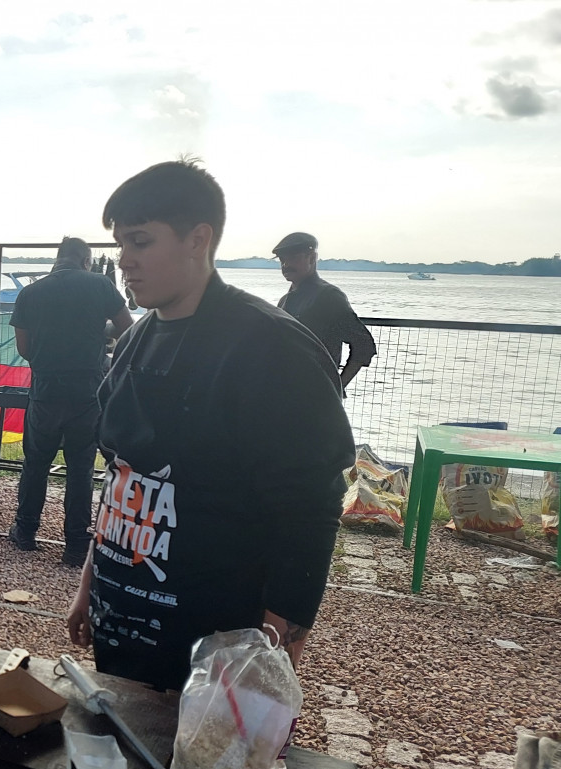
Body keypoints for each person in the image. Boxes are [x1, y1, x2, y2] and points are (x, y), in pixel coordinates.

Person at [65, 160, 355, 691]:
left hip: (215, 638)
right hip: (121, 618)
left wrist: (280, 639)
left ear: (198, 239)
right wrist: (89, 582)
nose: (124, 260)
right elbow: (120, 478)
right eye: (120, 244)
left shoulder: (271, 346)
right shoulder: (132, 343)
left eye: (140, 242)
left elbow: (311, 506)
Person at [7, 236, 133, 566]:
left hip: (46, 391)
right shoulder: (100, 285)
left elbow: (24, 348)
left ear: (58, 259)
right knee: (80, 468)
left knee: (36, 463)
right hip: (87, 392)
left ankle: (25, 532)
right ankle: (76, 545)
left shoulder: (30, 293)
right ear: (86, 261)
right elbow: (128, 330)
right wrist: (101, 339)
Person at [273, 231, 377, 394]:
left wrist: (337, 388)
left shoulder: (329, 297)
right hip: (284, 392)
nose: (286, 264)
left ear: (312, 258)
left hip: (314, 395)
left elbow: (363, 346)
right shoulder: (285, 300)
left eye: (293, 257)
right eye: (282, 259)